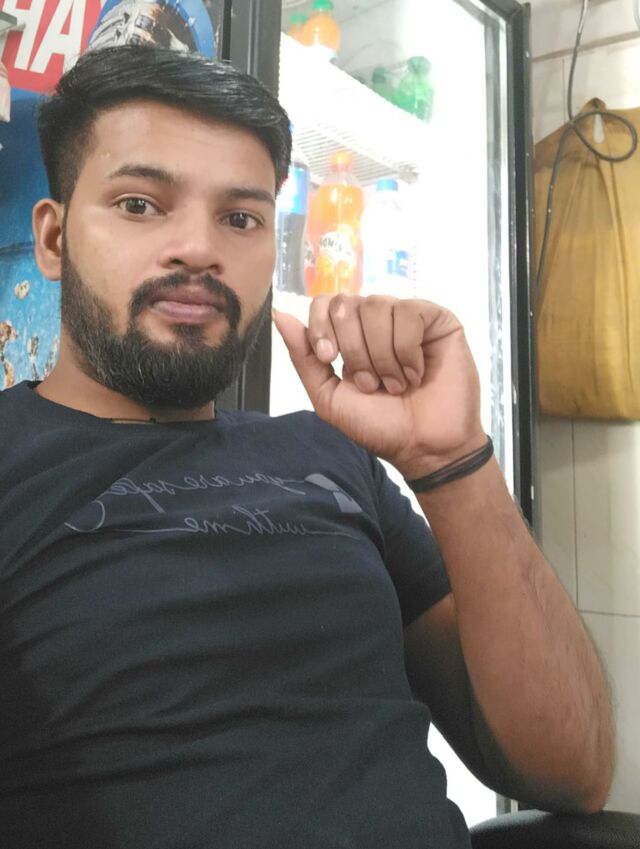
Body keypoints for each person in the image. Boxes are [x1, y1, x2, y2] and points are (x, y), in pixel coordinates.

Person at [0, 44, 613, 849]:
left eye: (240, 217)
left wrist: (451, 460)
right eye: (140, 204)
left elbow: (571, 768)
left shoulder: (332, 457)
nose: (199, 248)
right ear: (52, 240)